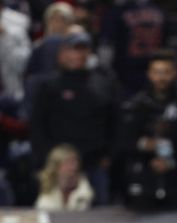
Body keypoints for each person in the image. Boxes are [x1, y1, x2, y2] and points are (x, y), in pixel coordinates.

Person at [30, 32, 120, 205]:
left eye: (82, 49)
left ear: (88, 53)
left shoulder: (104, 83)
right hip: (58, 167)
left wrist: (109, 156)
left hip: (94, 164)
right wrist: (46, 159)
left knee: (99, 219)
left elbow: (116, 122)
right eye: (72, 49)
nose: (77, 54)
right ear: (62, 54)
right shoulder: (49, 85)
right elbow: (37, 126)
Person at [118, 50, 177, 208]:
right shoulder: (137, 105)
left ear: (175, 73)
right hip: (142, 183)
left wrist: (171, 162)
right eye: (157, 72)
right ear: (149, 74)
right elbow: (124, 142)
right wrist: (145, 145)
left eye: (166, 72)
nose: (161, 78)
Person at [35, 144, 94, 211]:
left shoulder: (84, 188)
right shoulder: (47, 190)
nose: (74, 167)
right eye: (69, 162)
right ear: (56, 166)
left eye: (76, 162)